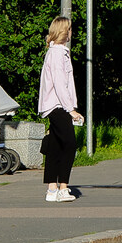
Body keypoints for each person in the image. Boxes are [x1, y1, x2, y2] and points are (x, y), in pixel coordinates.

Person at [38, 15, 82, 202]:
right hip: (57, 106)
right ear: (64, 31)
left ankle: (52, 189)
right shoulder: (57, 54)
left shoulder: (57, 52)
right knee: (69, 144)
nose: (72, 32)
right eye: (70, 29)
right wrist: (70, 109)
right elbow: (59, 84)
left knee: (56, 145)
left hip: (55, 105)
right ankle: (62, 187)